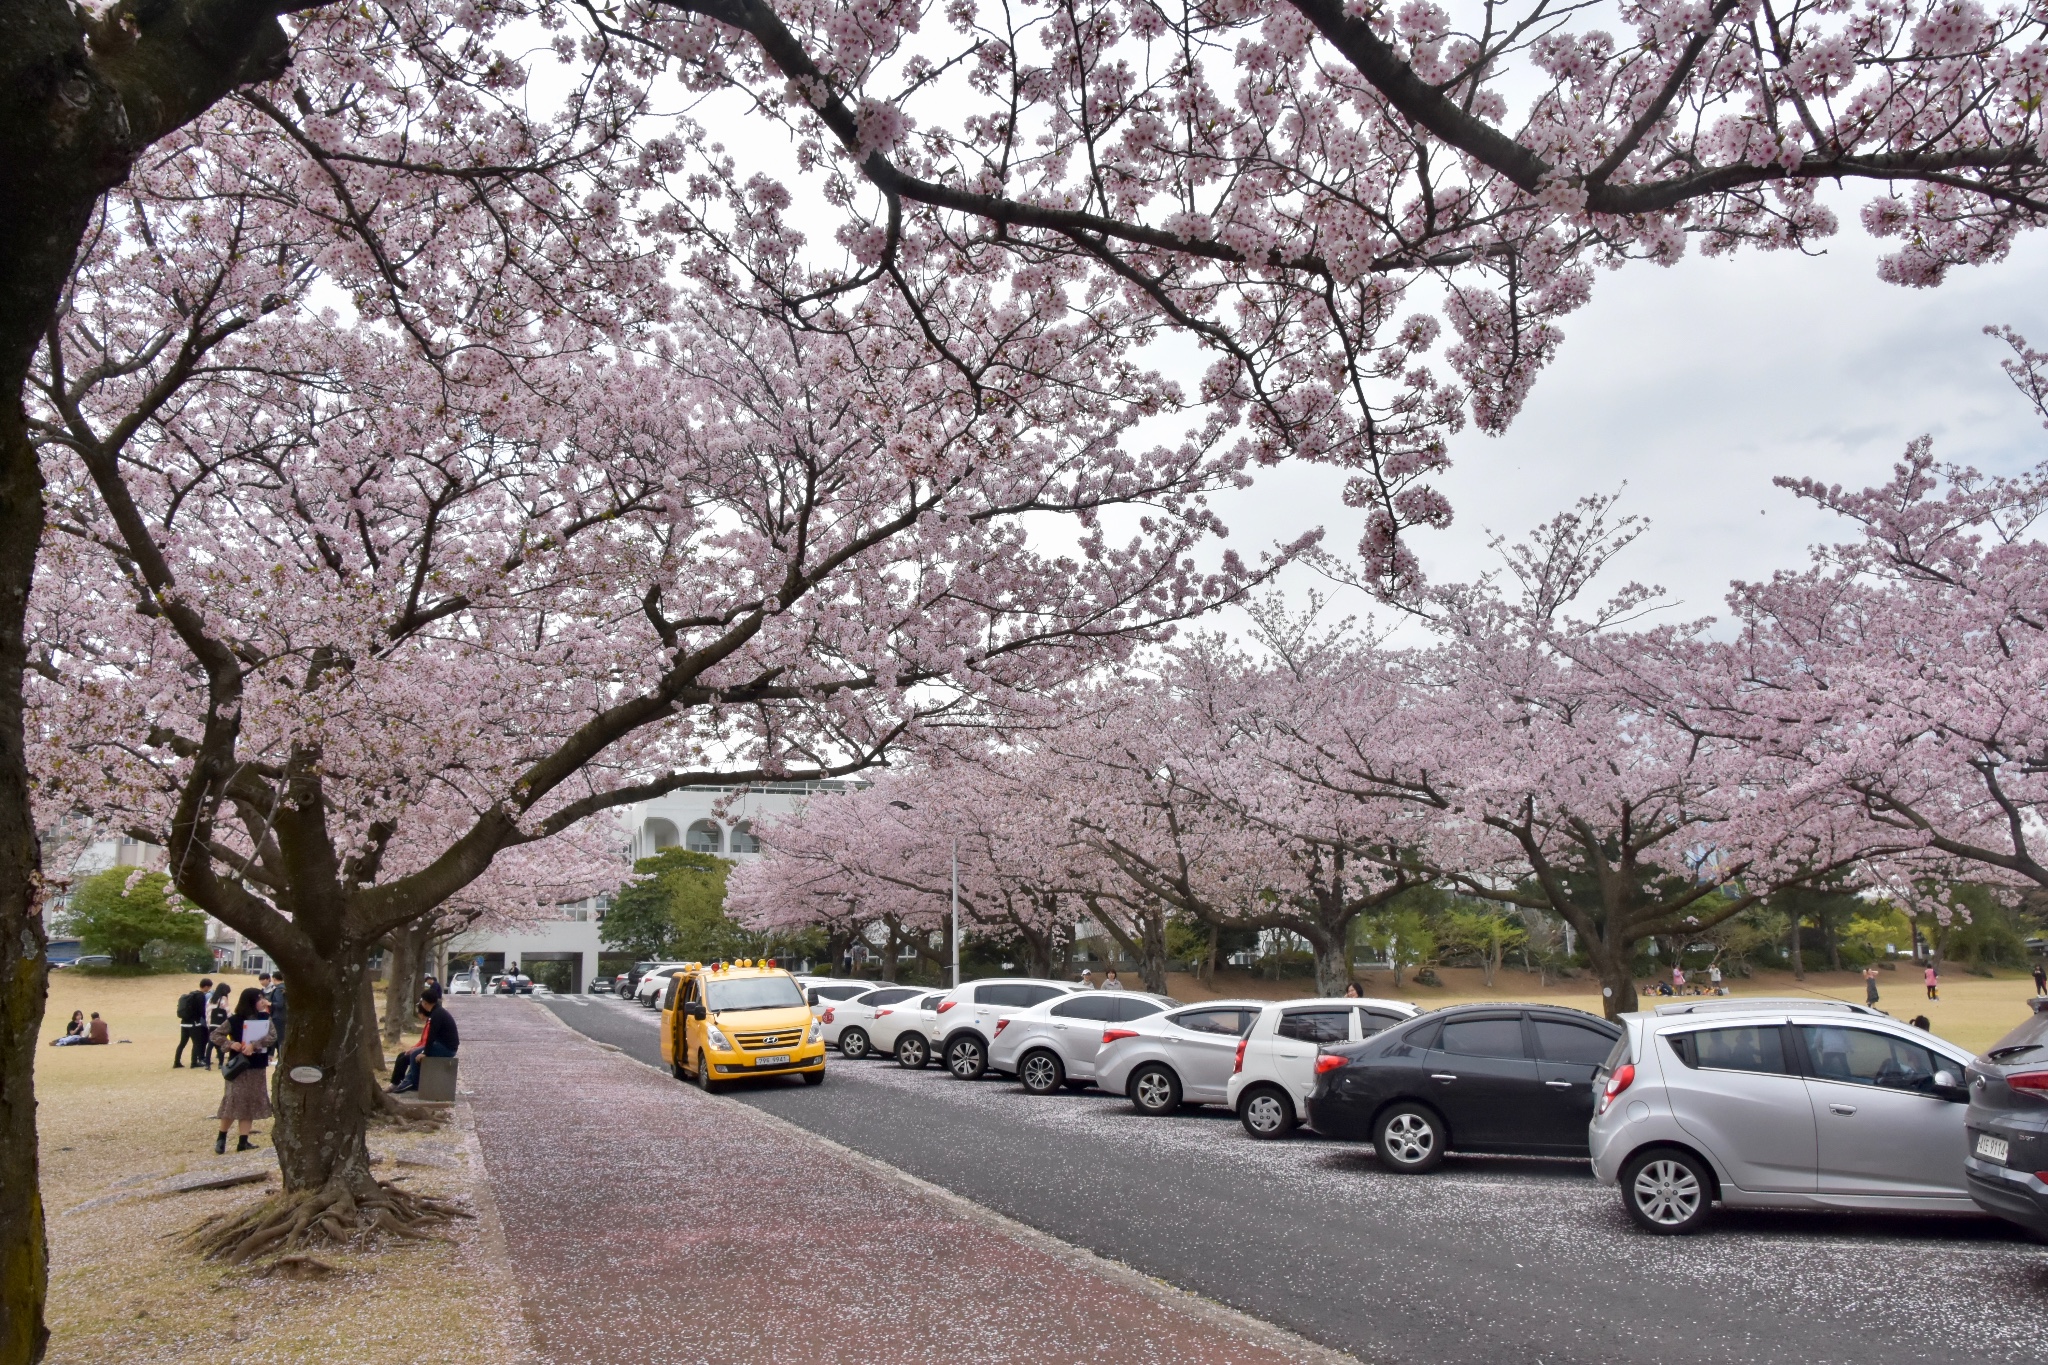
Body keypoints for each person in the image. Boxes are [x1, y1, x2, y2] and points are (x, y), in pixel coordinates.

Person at [214, 987, 274, 1153]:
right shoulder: (234, 1020)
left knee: (248, 1103)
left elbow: (272, 1037)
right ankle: (221, 1138)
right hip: (239, 1067)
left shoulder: (265, 1017)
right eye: (259, 998)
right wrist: (230, 1044)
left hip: (257, 1066)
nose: (263, 1002)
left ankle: (243, 1141)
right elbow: (215, 1035)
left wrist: (255, 1045)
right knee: (233, 1102)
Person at [389, 989, 459, 1094]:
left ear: (425, 1003)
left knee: (415, 1055)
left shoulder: (437, 1014)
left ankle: (414, 1083)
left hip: (446, 1048)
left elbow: (431, 1036)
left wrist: (424, 1053)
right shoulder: (437, 1012)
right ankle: (407, 1080)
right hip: (443, 1045)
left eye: (422, 1001)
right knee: (414, 1054)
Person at [174, 977, 213, 1068]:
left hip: (184, 1022)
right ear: (206, 987)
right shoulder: (200, 996)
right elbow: (201, 1011)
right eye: (209, 988)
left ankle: (176, 1062)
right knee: (197, 1043)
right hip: (194, 1023)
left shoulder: (191, 994)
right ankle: (194, 1062)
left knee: (182, 1043)